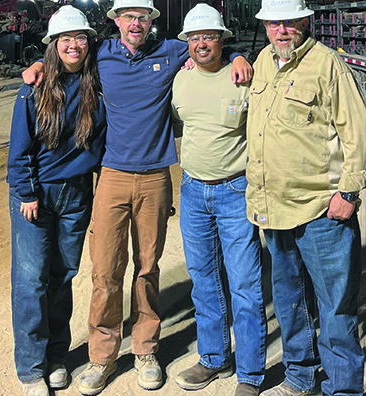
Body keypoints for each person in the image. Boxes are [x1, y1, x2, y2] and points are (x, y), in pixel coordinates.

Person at [22, 1, 253, 395]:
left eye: (142, 17)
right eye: (128, 16)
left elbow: (206, 46)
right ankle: (102, 357)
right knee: (105, 271)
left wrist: (237, 55)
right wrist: (39, 67)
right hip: (111, 175)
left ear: (151, 22)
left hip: (155, 178)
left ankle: (146, 351)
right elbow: (67, 53)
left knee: (148, 268)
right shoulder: (102, 54)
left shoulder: (168, 51)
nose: (135, 23)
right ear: (115, 21)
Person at [247, 1, 366, 395]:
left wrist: (349, 191)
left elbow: (359, 135)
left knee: (335, 309)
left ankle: (342, 390)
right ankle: (300, 376)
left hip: (323, 210)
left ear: (305, 21)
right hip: (275, 208)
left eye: (289, 21)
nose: (281, 30)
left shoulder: (328, 65)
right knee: (290, 302)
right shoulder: (264, 63)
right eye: (273, 22)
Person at [6, 6, 106, 396]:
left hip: (77, 193)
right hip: (36, 195)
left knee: (62, 276)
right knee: (31, 281)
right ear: (53, 45)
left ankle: (57, 357)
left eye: (80, 38)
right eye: (66, 39)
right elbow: (19, 149)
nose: (74, 45)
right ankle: (31, 369)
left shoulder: (97, 81)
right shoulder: (34, 88)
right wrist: (28, 192)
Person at [170, 4, 265, 396]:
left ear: (223, 39)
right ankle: (213, 358)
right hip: (193, 191)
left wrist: (243, 56)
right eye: (194, 38)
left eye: (209, 36)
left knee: (245, 283)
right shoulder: (180, 79)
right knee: (204, 280)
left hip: (234, 190)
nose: (201, 43)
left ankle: (250, 374)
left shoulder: (244, 78)